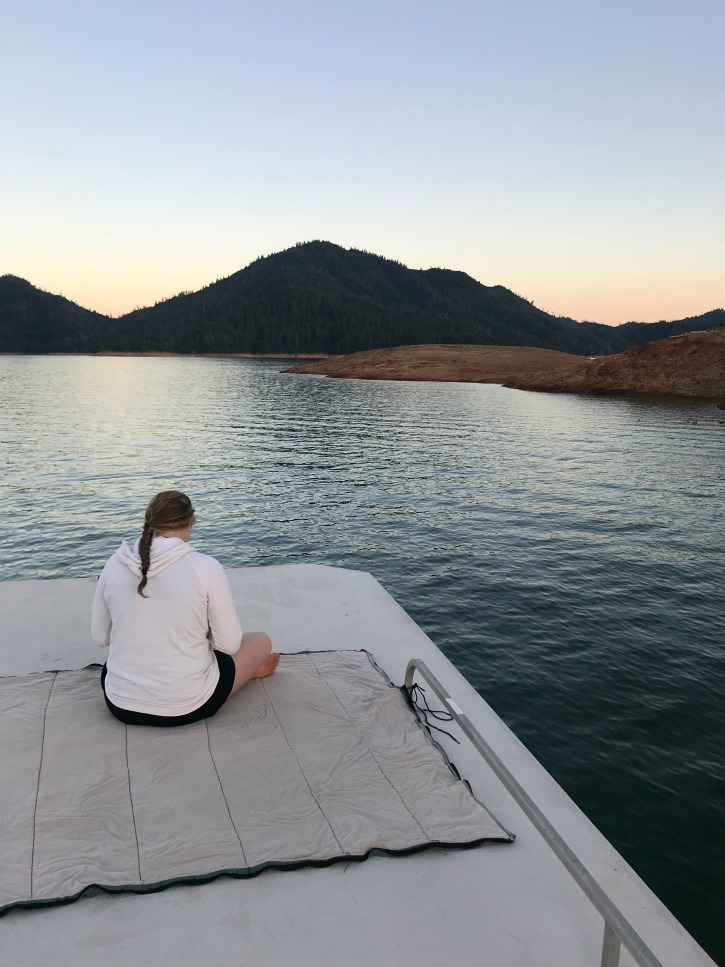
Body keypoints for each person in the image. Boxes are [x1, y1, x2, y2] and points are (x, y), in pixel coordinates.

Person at [91, 490, 279, 727]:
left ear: (149, 523)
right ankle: (243, 674)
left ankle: (238, 674)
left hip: (120, 703)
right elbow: (229, 645)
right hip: (187, 705)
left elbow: (99, 637)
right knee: (261, 641)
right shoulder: (206, 567)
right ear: (191, 523)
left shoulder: (115, 562)